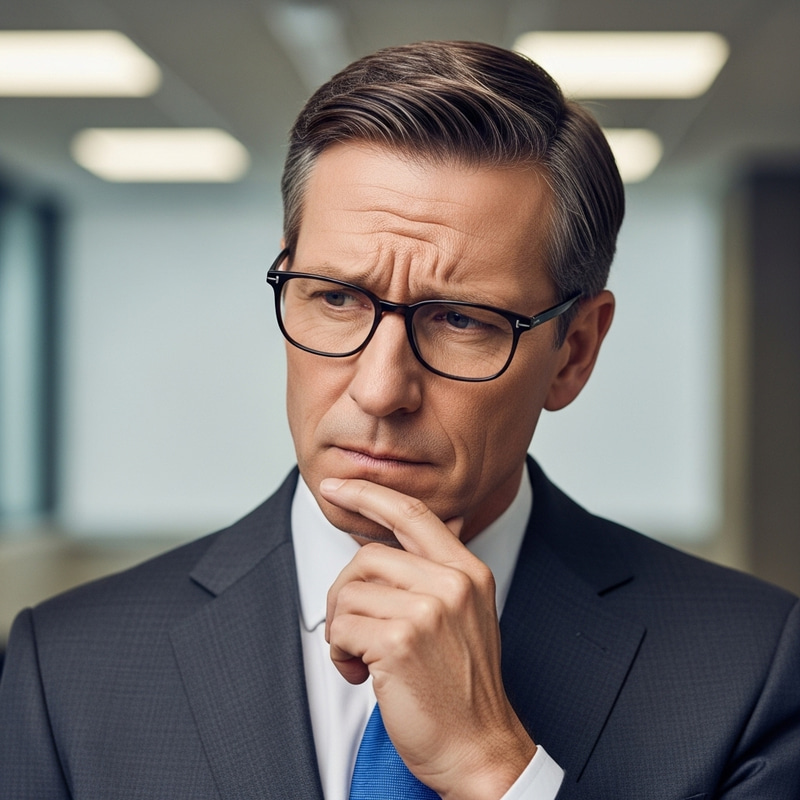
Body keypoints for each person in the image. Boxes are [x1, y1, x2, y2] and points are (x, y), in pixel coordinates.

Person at [0, 40, 798, 800]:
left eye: (460, 319)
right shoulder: (61, 668)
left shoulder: (751, 668)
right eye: (337, 298)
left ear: (573, 352)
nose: (381, 390)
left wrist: (494, 769)